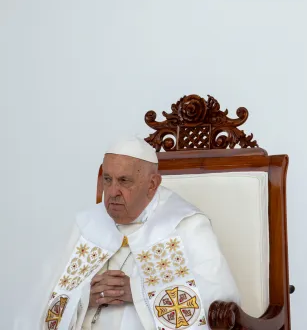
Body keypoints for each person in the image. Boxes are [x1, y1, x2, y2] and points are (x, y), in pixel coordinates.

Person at [26, 136, 240, 329]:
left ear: (152, 185)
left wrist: (140, 292)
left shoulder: (187, 224)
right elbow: (45, 299)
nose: (112, 192)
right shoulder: (87, 224)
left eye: (124, 181)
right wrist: (83, 298)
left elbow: (219, 302)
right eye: (107, 179)